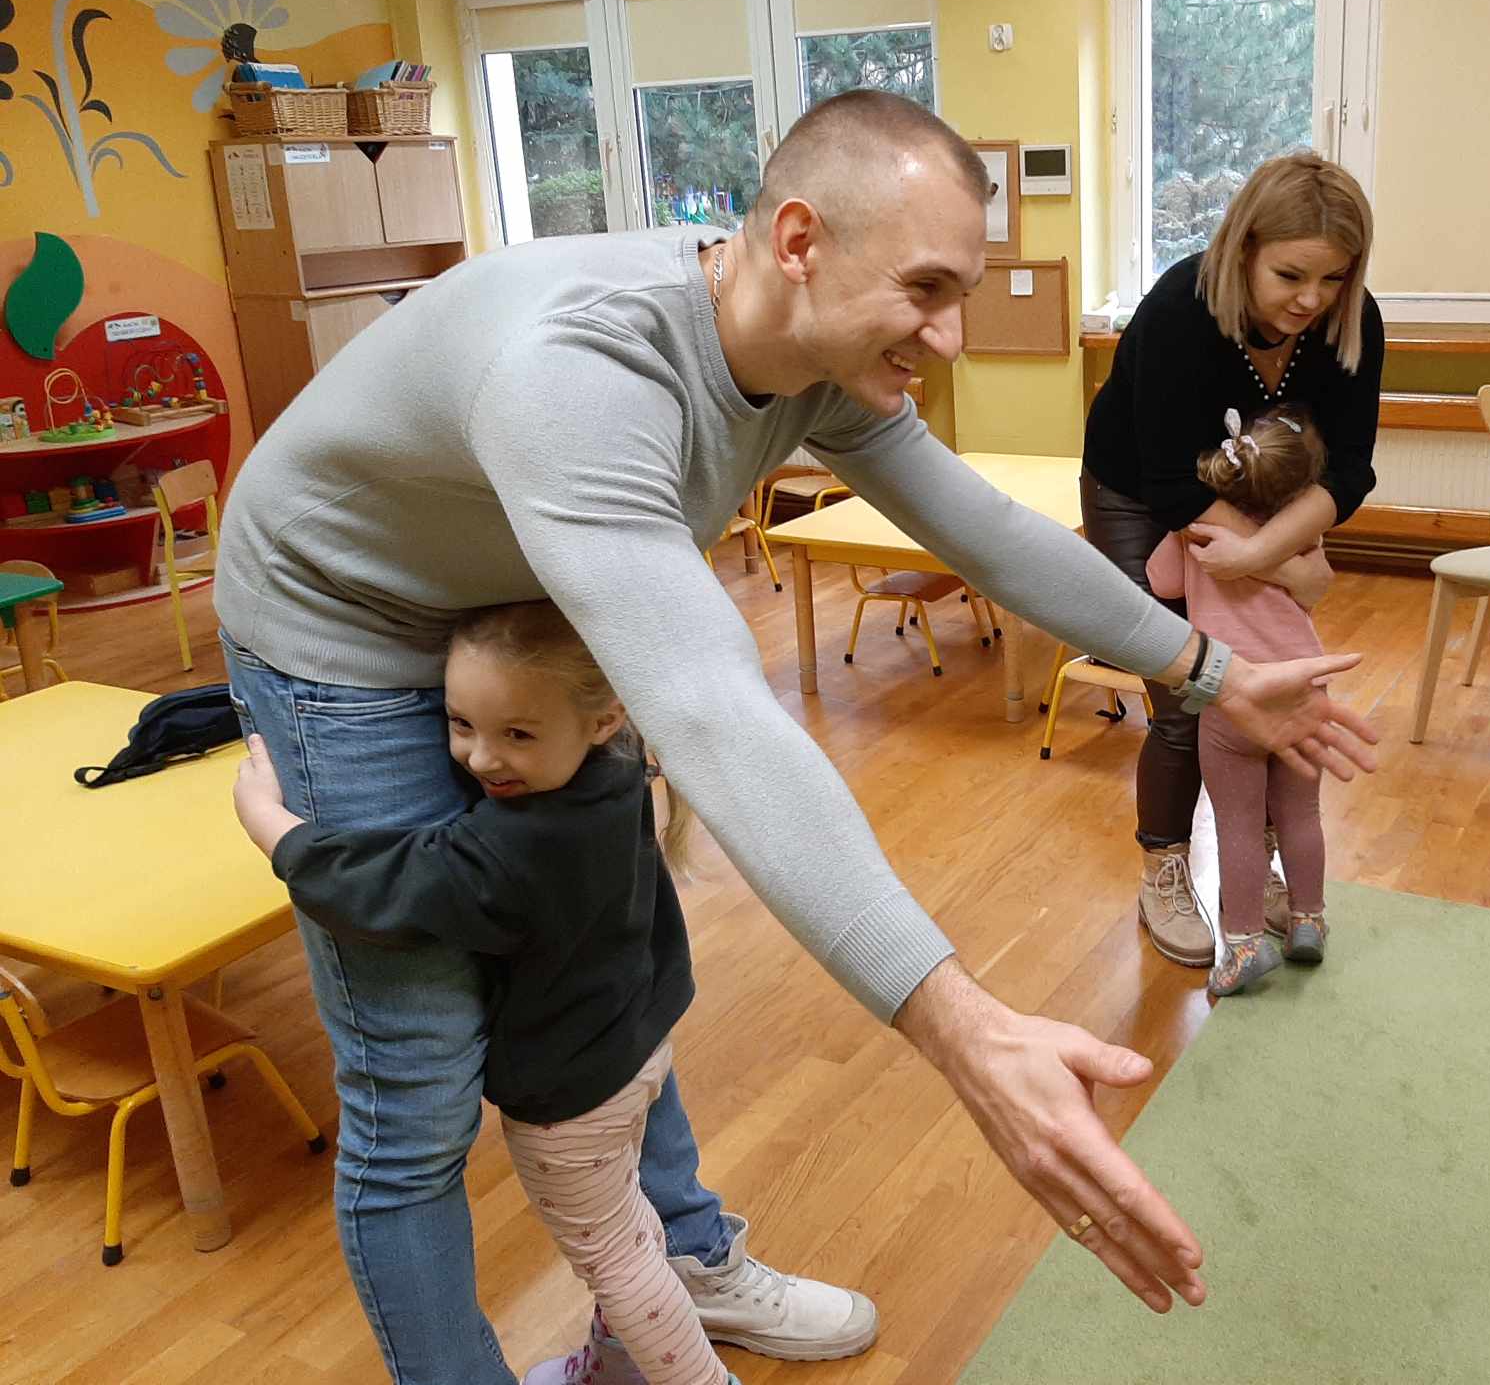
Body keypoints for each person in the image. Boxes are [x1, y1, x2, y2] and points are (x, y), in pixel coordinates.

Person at [215, 89, 1380, 1385]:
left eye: (962, 295)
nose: (949, 336)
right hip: (345, 629)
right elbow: (711, 704)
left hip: (517, 612)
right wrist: (963, 1027)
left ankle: (688, 1263)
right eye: (925, 290)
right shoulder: (581, 376)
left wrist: (1215, 673)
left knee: (613, 962)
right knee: (420, 1086)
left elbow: (986, 532)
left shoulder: (814, 365)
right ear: (799, 241)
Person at [232, 602, 743, 1385]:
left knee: (621, 1261)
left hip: (570, 1104)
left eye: (517, 734)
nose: (480, 758)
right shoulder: (618, 770)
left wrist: (270, 824)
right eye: (460, 723)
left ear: (604, 718)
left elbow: (392, 886)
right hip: (636, 1053)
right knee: (631, 1230)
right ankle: (617, 1367)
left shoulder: (512, 849)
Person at [1082, 152, 1382, 970]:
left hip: (1264, 508)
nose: (1312, 300)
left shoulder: (1352, 320)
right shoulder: (1181, 309)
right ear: (1243, 247)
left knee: (1275, 684)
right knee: (1192, 698)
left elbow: (1350, 470)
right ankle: (1164, 867)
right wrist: (1280, 566)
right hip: (1143, 496)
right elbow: (1170, 483)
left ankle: (1260, 866)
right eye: (1291, 275)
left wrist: (1266, 552)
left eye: (1333, 278)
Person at [1147, 406, 1333, 997]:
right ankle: (1307, 920)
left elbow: (1161, 583)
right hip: (1304, 686)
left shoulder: (1196, 533)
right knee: (1302, 815)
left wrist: (1176, 531)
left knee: (1239, 825)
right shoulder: (1303, 534)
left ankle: (1247, 945)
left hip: (1232, 694)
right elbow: (1315, 590)